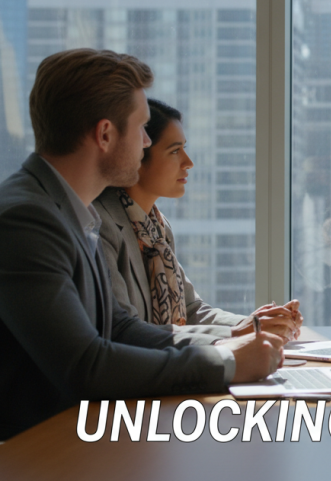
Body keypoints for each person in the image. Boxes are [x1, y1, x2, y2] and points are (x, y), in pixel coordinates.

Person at [2, 49, 272, 440]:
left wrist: (235, 344)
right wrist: (224, 363)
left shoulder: (72, 210)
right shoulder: (28, 219)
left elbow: (118, 328)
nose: (147, 142)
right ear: (106, 134)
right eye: (143, 127)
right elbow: (86, 366)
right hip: (37, 454)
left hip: (82, 441)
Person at [95, 99, 302, 340]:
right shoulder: (102, 225)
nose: (188, 162)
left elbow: (191, 310)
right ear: (138, 154)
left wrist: (258, 323)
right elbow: (124, 332)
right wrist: (239, 332)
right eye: (174, 151)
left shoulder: (156, 228)